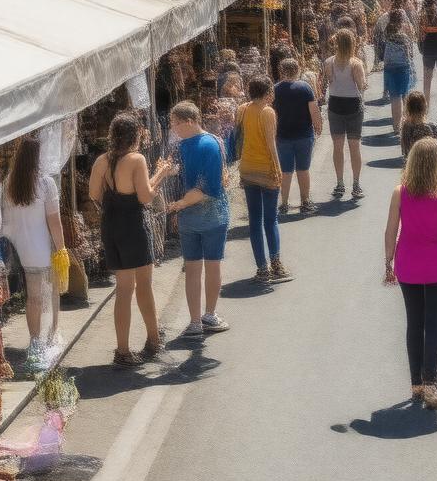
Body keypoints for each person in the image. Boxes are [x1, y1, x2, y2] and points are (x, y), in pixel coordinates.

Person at [383, 137, 437, 411]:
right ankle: (431, 384)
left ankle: (416, 385)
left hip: (408, 266)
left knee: (414, 323)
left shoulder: (400, 193)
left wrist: (388, 261)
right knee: (433, 325)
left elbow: (390, 230)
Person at [89, 113, 173, 366]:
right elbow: (145, 196)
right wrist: (161, 174)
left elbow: (94, 194)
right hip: (134, 225)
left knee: (123, 289)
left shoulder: (101, 161)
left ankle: (123, 351)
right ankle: (153, 340)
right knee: (144, 285)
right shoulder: (137, 159)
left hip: (111, 225)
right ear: (135, 135)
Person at [166, 101, 231, 339]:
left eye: (176, 124)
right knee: (211, 266)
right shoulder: (212, 143)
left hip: (193, 215)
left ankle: (196, 321)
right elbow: (210, 187)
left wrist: (180, 204)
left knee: (194, 268)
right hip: (212, 215)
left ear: (190, 121)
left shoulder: (187, 146)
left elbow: (202, 185)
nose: (174, 129)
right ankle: (208, 315)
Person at [2, 135, 66, 372]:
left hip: (19, 249)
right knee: (48, 294)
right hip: (41, 250)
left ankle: (35, 340)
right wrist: (62, 249)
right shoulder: (45, 184)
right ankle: (48, 336)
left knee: (33, 298)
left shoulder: (9, 182)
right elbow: (54, 222)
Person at [236, 75, 294, 284]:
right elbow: (271, 144)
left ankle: (262, 269)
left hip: (248, 168)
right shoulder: (267, 112)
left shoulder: (242, 109)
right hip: (265, 169)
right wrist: (278, 169)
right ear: (268, 92)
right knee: (270, 220)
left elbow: (241, 138)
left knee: (254, 220)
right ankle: (276, 265)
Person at [273, 58, 323, 216]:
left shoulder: (275, 89)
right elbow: (313, 109)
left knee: (286, 171)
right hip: (304, 135)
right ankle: (305, 201)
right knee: (303, 169)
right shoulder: (305, 87)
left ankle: (284, 204)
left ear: (281, 71)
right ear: (297, 69)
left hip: (283, 136)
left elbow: (273, 114)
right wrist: (318, 125)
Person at [323, 29, 367, 200]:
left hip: (335, 105)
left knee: (338, 146)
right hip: (353, 106)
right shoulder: (356, 63)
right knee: (354, 146)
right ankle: (356, 184)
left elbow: (330, 81)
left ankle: (340, 183)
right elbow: (361, 85)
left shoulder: (329, 62)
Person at [383, 9, 415, 136]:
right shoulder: (404, 37)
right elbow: (409, 54)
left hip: (390, 67)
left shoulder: (387, 33)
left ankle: (396, 126)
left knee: (394, 97)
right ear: (401, 22)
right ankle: (406, 123)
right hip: (403, 67)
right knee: (405, 95)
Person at [400, 90, 437, 159]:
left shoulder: (405, 126)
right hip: (428, 160)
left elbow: (404, 149)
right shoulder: (429, 127)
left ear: (407, 107)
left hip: (411, 159)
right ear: (424, 107)